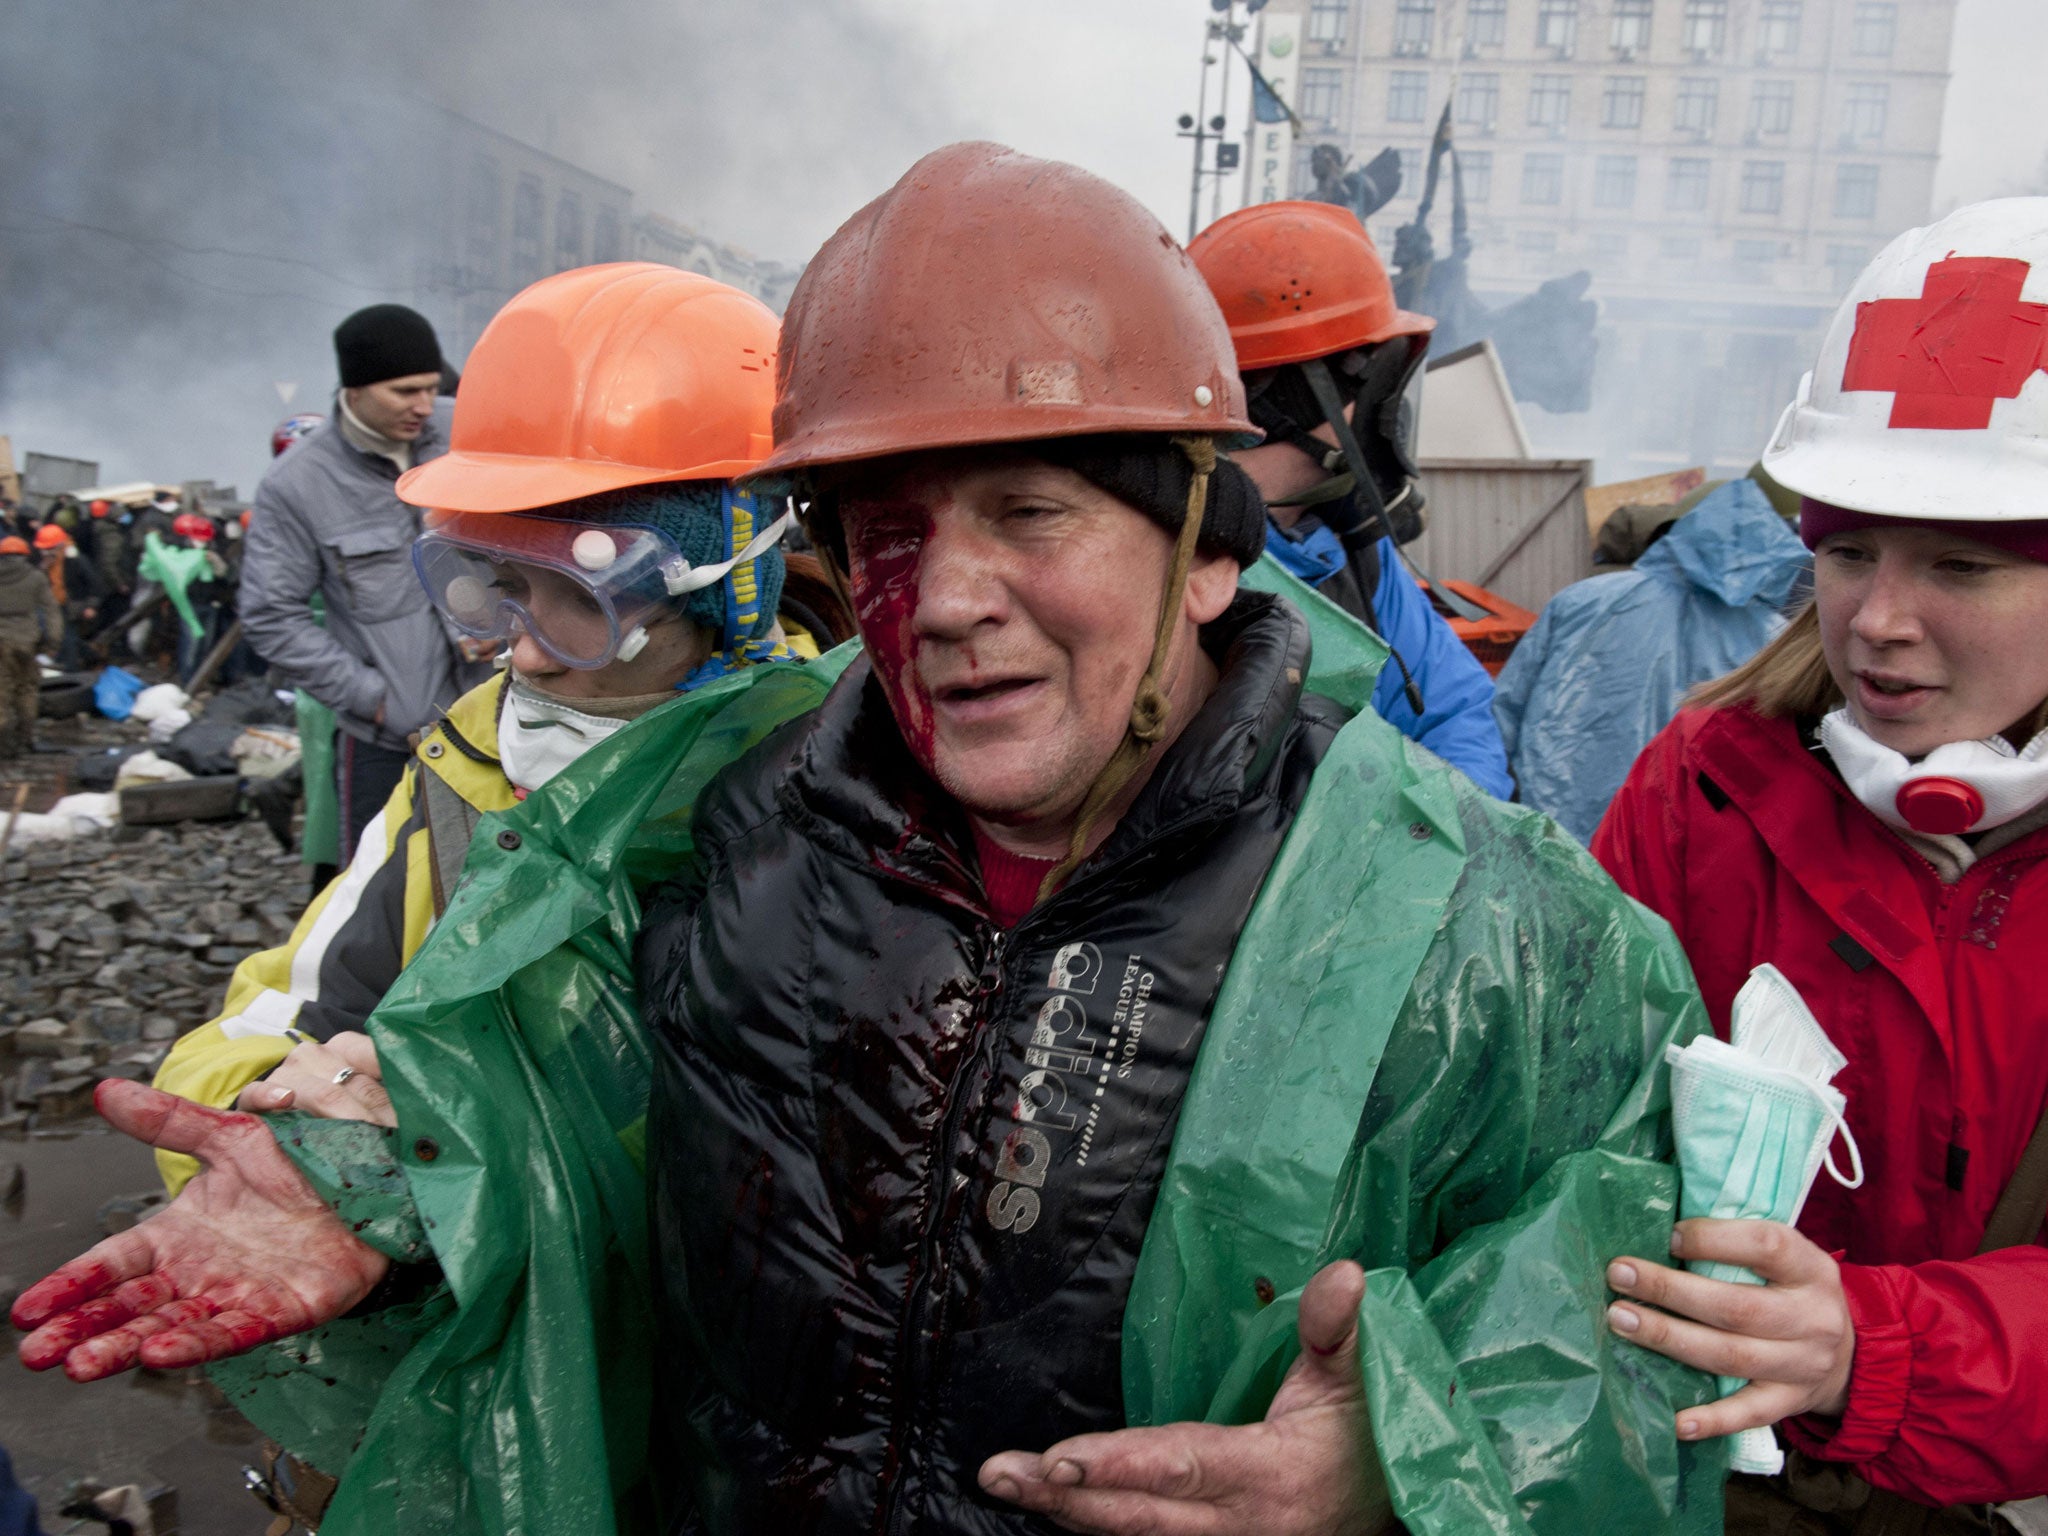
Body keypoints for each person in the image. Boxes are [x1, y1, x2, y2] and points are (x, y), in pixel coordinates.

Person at [16, 148, 1714, 1536]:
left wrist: (1409, 1458)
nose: (951, 599)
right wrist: (381, 1197)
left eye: (1031, 511)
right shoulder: (696, 841)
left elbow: (1636, 1324)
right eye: (891, 530)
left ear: (1205, 549)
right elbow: (566, 1154)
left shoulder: (1474, 933)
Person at [1591, 200, 2048, 1525]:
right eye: (1846, 551)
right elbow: (1566, 1150)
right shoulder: (1701, 792)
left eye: (1961, 562)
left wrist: (1871, 1348)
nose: (1878, 621)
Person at [152, 261, 809, 1175]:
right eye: (500, 586)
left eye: (580, 596)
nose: (522, 656)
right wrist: (277, 1124)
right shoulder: (466, 770)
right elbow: (278, 1016)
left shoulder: (836, 787)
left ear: (727, 583)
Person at [1189, 200, 1514, 797]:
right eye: (1380, 386)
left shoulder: (1348, 547)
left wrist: (1454, 844)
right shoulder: (1192, 580)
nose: (1387, 416)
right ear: (1292, 400)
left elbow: (1455, 710)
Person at [239, 302, 487, 855]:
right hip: (390, 736)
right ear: (353, 389)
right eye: (404, 392)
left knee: (497, 887)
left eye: (430, 387)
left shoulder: (469, 430)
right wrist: (370, 697)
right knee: (384, 893)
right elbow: (270, 615)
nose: (425, 406)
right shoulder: (296, 484)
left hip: (500, 713)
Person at [1492, 468, 1809, 843]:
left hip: (1554, 844)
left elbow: (1501, 717)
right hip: (1683, 854)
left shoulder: (1582, 601)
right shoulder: (1776, 637)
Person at [0, 535, 60, 756]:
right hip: (26, 643)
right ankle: (25, 740)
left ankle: (4, 745)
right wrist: (53, 641)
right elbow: (51, 610)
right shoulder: (35, 577)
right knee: (26, 690)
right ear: (25, 554)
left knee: (2, 693)